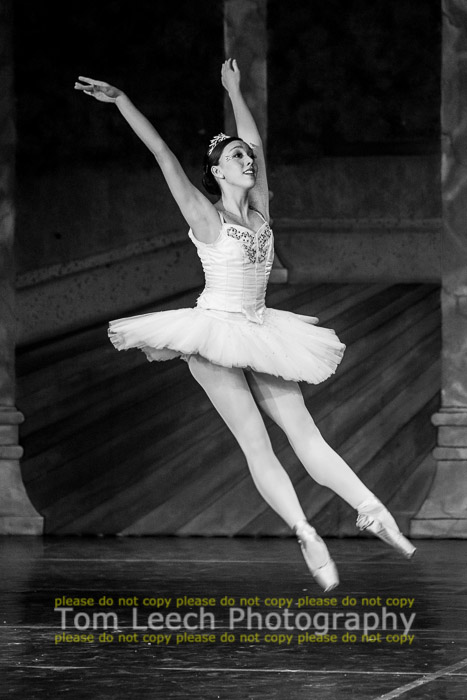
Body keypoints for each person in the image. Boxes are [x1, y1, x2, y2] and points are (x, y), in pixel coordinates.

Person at [74, 59, 415, 592]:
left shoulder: (259, 210)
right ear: (217, 171)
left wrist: (235, 89)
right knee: (257, 443)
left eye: (247, 157)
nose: (248, 160)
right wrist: (122, 102)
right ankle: (305, 531)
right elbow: (162, 153)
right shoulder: (203, 215)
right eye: (236, 157)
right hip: (214, 333)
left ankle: (371, 509)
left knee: (305, 433)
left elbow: (255, 141)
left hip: (261, 328)